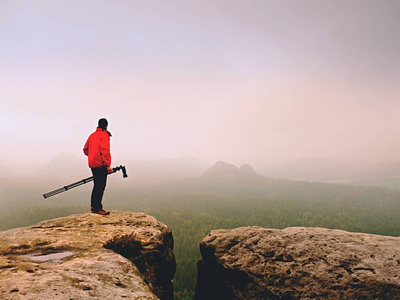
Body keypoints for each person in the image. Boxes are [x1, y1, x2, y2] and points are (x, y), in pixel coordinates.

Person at [83, 118, 113, 215]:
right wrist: (108, 165)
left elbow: (85, 149)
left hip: (93, 164)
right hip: (100, 165)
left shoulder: (92, 135)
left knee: (96, 185)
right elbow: (105, 151)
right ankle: (97, 208)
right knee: (100, 186)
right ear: (106, 126)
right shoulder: (104, 136)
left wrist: (93, 156)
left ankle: (94, 207)